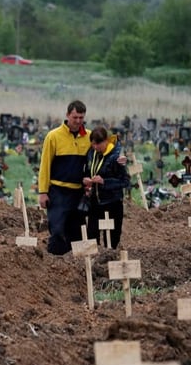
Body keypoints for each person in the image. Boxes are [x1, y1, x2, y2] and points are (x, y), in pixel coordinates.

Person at [38, 100, 90, 255]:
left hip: (78, 193)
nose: (78, 121)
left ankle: (76, 268)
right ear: (67, 115)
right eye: (75, 117)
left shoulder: (88, 136)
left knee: (77, 232)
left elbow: (96, 161)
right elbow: (45, 165)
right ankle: (54, 266)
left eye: (81, 118)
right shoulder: (53, 136)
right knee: (58, 230)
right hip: (58, 192)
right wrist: (43, 192)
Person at [82, 126, 130, 249]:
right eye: (93, 144)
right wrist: (86, 180)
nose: (96, 147)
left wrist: (104, 182)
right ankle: (93, 264)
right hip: (95, 202)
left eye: (99, 144)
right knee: (92, 235)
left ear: (106, 141)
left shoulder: (116, 157)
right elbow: (87, 170)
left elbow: (125, 181)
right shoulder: (91, 154)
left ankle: (110, 261)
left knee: (112, 240)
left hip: (112, 202)